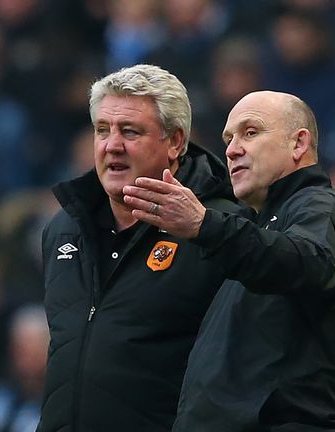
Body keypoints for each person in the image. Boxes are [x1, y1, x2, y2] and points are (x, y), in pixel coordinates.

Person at [123, 90, 335, 430]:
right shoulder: (254, 229)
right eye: (228, 138)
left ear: (299, 144)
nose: (232, 149)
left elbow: (307, 263)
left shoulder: (323, 207)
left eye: (250, 132)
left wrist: (204, 225)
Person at [37, 64, 240, 431]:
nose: (112, 145)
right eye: (103, 130)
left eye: (130, 131)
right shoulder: (64, 230)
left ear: (175, 142)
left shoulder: (220, 230)